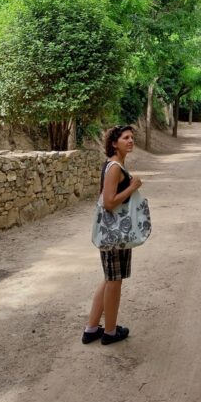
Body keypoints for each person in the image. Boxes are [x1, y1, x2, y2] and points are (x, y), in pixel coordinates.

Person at [82, 125, 142, 346]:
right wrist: (132, 187)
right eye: (125, 138)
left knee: (109, 279)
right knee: (114, 281)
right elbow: (108, 202)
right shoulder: (115, 167)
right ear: (114, 143)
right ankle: (109, 331)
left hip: (114, 233)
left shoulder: (116, 165)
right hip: (115, 233)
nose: (130, 141)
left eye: (132, 138)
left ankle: (91, 328)